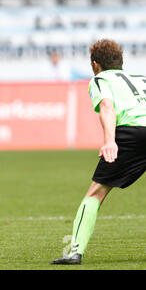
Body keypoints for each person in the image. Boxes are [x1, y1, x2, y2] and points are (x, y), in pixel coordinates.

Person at [51, 39, 146, 264]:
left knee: (96, 193)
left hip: (131, 134)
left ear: (95, 64)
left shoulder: (100, 79)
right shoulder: (143, 79)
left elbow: (106, 107)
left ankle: (75, 252)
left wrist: (109, 141)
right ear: (121, 62)